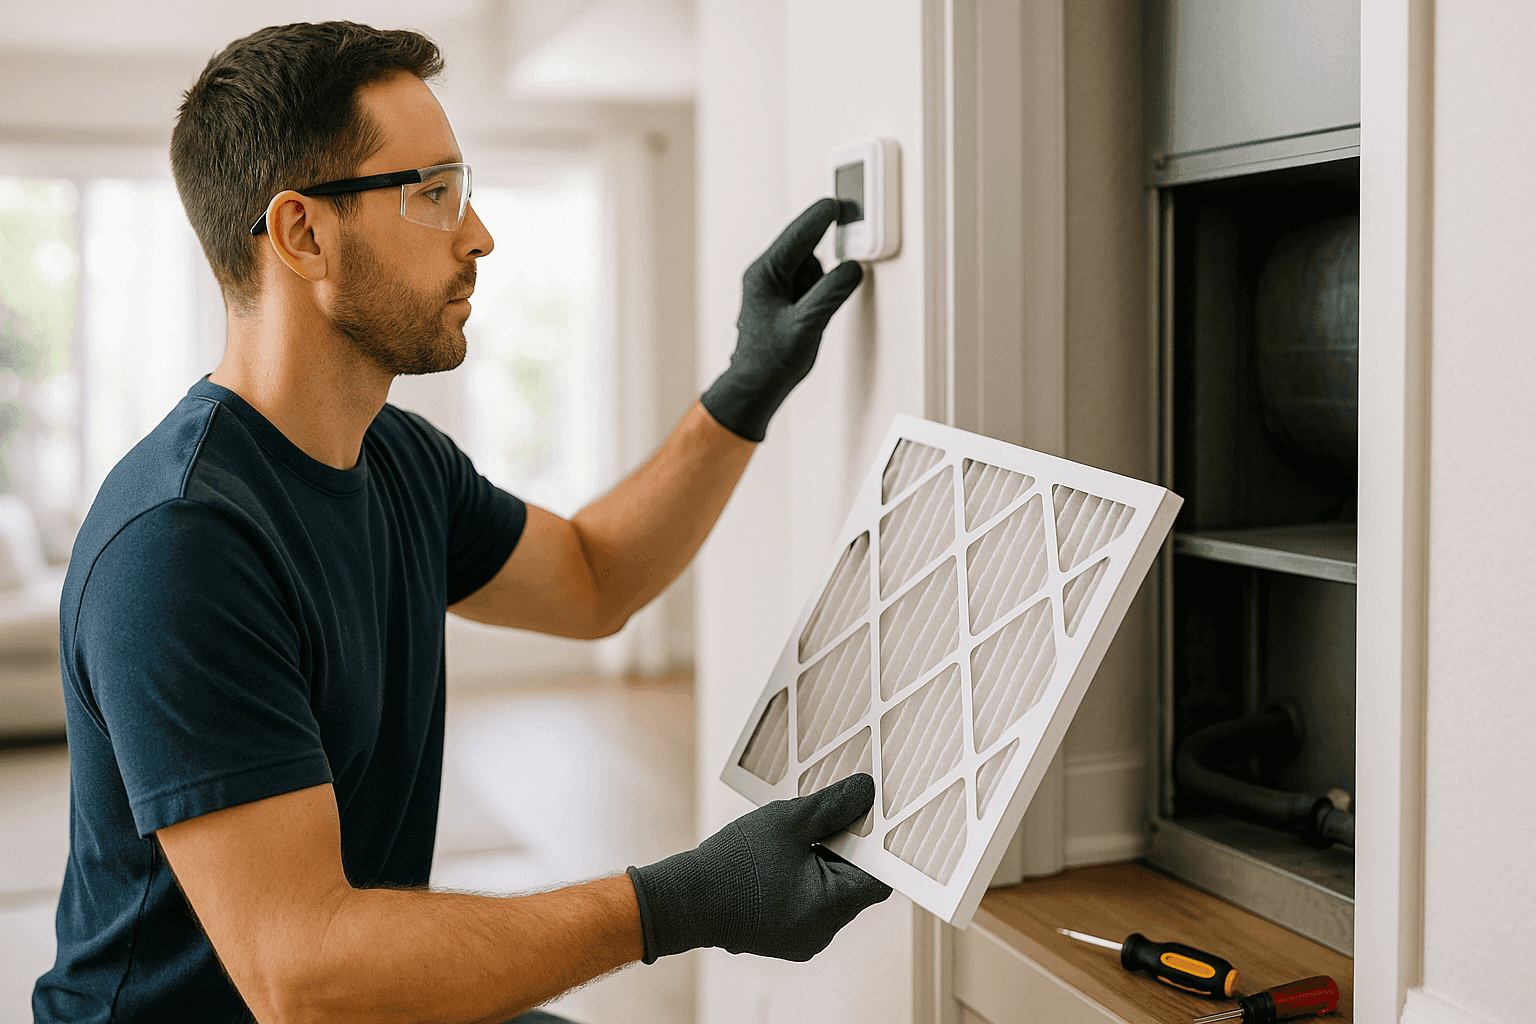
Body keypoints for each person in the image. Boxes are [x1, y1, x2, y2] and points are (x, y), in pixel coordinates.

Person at [32, 20, 890, 1024]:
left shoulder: (397, 459)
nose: (478, 234)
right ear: (304, 233)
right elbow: (304, 974)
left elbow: (591, 575)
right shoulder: (182, 545)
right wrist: (681, 901)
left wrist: (745, 388)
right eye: (432, 193)